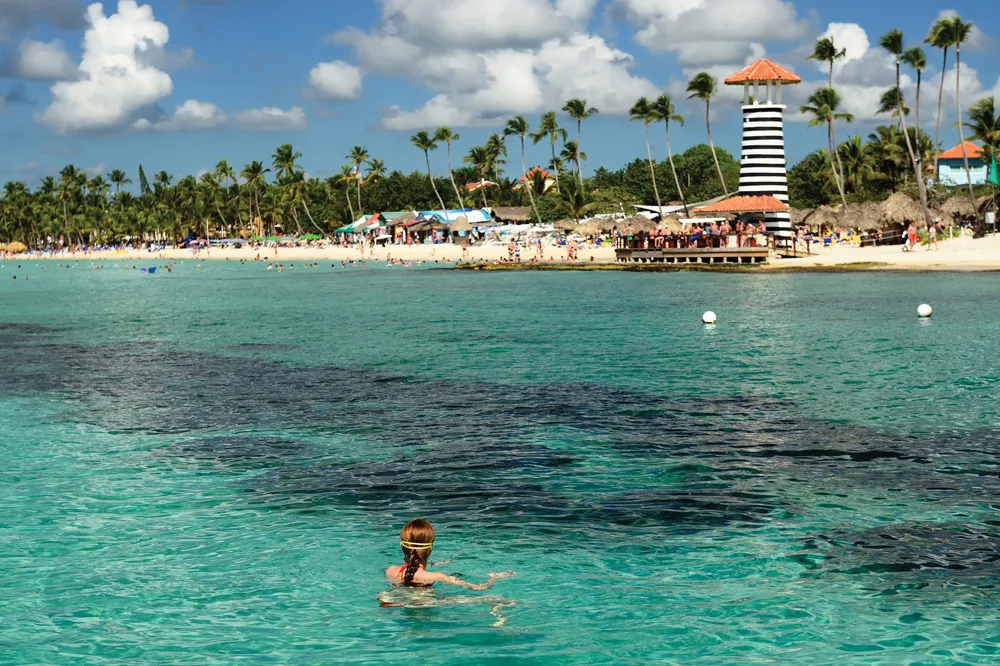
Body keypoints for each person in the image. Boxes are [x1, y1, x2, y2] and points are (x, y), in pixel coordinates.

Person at [385, 519, 514, 590]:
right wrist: (494, 578)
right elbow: (479, 588)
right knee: (497, 600)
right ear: (430, 549)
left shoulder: (391, 571)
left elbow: (412, 573)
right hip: (426, 607)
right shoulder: (436, 576)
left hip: (401, 604)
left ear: (402, 546)